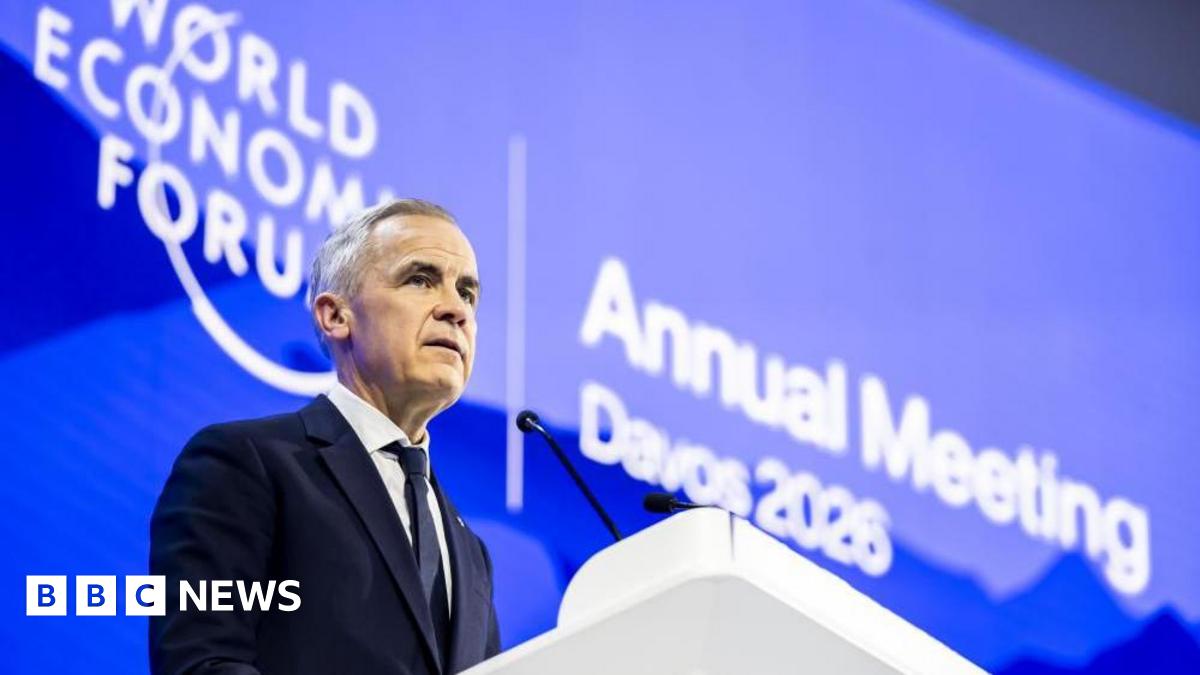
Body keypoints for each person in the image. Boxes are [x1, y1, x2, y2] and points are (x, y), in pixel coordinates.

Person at [150, 199, 500, 675]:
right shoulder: (244, 464)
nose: (455, 310)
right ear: (335, 316)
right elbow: (203, 662)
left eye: (467, 293)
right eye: (420, 279)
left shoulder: (469, 551)